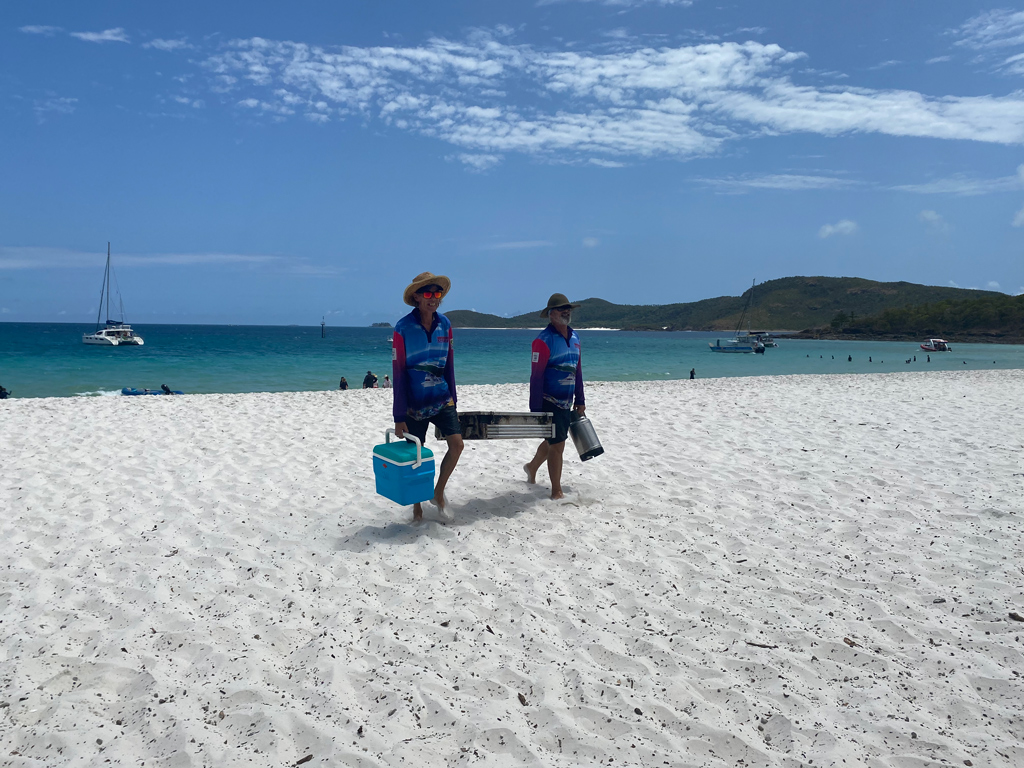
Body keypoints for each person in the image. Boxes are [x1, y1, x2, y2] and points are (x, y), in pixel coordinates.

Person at [392, 272, 464, 522]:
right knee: (415, 455)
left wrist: (454, 398)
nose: (433, 298)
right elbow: (398, 373)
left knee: (457, 445)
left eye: (437, 293)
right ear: (416, 296)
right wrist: (399, 415)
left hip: (443, 399)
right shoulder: (402, 328)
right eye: (427, 293)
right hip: (414, 405)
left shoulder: (446, 324)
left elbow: (449, 365)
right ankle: (416, 508)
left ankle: (438, 492)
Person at [524, 293, 585, 500]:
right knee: (558, 444)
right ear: (551, 314)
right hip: (549, 400)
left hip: (567, 401)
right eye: (561, 309)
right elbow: (536, 376)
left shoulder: (575, 337)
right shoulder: (543, 340)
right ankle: (556, 490)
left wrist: (581, 399)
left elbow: (578, 371)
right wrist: (535, 410)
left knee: (554, 441)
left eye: (567, 308)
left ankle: (532, 467)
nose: (566, 311)